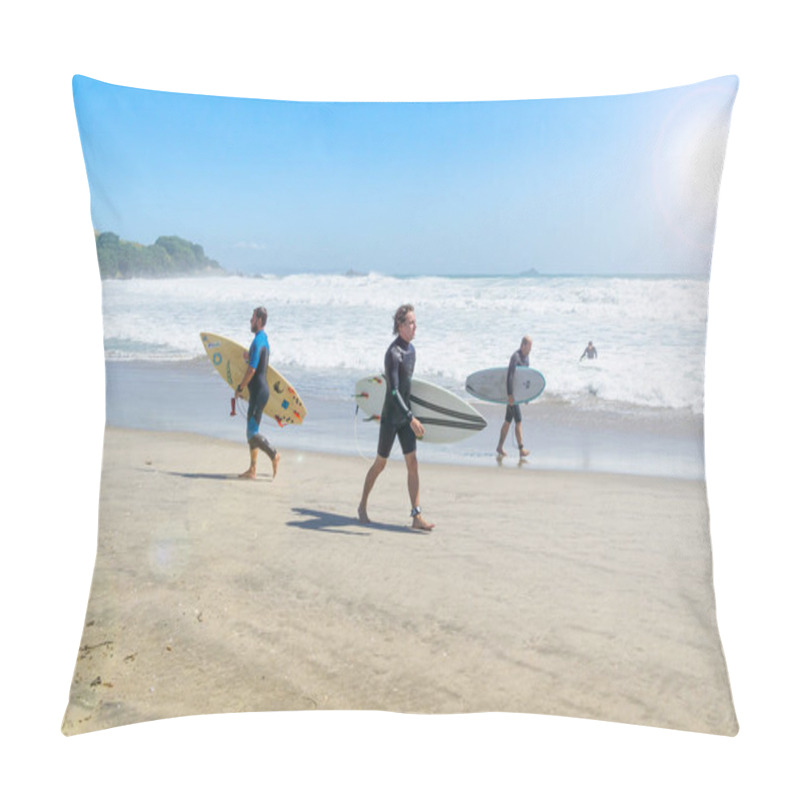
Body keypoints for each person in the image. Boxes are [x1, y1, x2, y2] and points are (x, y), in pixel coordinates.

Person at [358, 304, 434, 531]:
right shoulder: (393, 354)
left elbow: (408, 388)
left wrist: (412, 416)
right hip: (392, 419)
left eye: (415, 322)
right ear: (400, 326)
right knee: (380, 464)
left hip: (406, 417)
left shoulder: (412, 351)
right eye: (410, 322)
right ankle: (362, 506)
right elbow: (393, 391)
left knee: (413, 464)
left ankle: (416, 515)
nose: (415, 326)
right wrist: (411, 418)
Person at [235, 306, 280, 480]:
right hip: (259, 391)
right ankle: (252, 470)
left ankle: (274, 454)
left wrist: (240, 387)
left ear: (259, 320)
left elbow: (252, 370)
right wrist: (249, 356)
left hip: (259, 391)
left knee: (252, 434)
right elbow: (257, 361)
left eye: (253, 318)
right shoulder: (262, 339)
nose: (250, 320)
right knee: (251, 430)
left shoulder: (257, 341)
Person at [497, 335, 532, 459]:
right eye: (529, 346)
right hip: (512, 396)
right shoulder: (515, 357)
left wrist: (527, 396)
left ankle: (499, 447)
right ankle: (521, 449)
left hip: (517, 396)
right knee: (518, 420)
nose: (530, 349)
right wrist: (510, 395)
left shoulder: (526, 358)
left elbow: (526, 379)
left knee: (507, 421)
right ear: (523, 345)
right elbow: (510, 376)